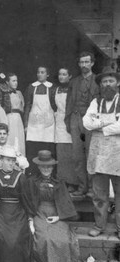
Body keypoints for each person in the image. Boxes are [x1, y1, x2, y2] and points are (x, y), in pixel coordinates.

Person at [26, 150, 79, 262]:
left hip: (57, 214)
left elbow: (65, 203)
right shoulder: (32, 182)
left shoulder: (59, 182)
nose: (46, 170)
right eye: (43, 167)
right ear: (38, 167)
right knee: (45, 238)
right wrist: (30, 219)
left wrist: (59, 216)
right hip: (39, 213)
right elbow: (29, 202)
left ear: (52, 168)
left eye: (49, 167)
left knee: (61, 238)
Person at [83, 68, 120, 238]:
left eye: (110, 81)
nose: (107, 84)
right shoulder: (95, 102)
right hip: (98, 155)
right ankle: (99, 226)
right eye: (104, 82)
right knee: (99, 195)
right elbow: (86, 123)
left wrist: (100, 125)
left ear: (117, 83)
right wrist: (109, 124)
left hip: (117, 154)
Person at [65, 52, 99, 197]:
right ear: (79, 64)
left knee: (91, 153)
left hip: (90, 120)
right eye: (81, 62)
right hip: (76, 119)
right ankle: (82, 186)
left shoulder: (98, 80)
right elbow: (68, 103)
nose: (84, 65)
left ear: (92, 63)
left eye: (87, 62)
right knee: (77, 155)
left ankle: (92, 188)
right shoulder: (74, 82)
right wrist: (68, 120)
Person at [24, 66, 56, 177]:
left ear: (47, 74)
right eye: (38, 72)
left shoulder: (51, 87)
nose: (40, 74)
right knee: (33, 150)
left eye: (42, 72)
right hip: (34, 124)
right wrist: (26, 124)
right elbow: (27, 105)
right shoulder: (32, 87)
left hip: (48, 125)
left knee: (47, 150)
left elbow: (55, 106)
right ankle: (33, 175)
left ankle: (47, 175)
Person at [52, 68, 79, 190]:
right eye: (60, 74)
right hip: (59, 122)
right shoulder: (55, 90)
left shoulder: (72, 90)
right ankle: (62, 181)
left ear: (70, 76)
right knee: (61, 153)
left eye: (64, 74)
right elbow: (53, 106)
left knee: (70, 153)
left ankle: (72, 182)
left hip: (69, 120)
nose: (61, 76)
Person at [1, 73, 26, 155]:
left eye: (16, 81)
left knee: (18, 140)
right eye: (13, 81)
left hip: (18, 119)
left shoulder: (19, 93)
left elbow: (22, 107)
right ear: (7, 82)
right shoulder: (4, 93)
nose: (16, 83)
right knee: (10, 139)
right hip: (9, 118)